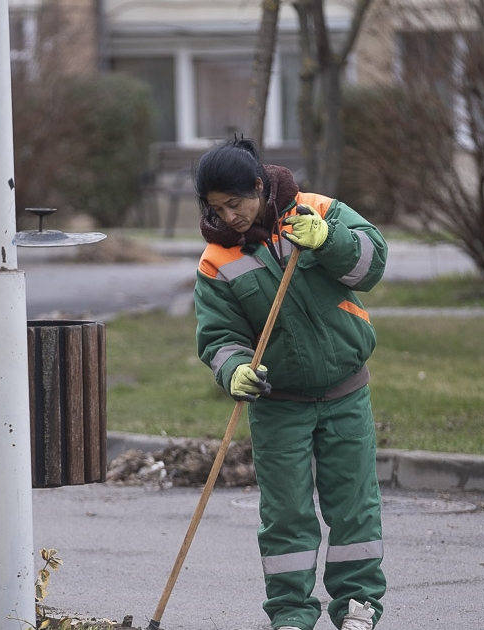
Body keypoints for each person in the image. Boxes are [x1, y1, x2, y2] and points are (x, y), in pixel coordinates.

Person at [192, 138, 388, 630]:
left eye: (235, 203)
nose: (229, 217)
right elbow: (219, 336)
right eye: (216, 209)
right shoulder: (217, 260)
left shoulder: (317, 211)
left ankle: (358, 606)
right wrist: (234, 369)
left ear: (259, 186)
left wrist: (329, 239)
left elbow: (373, 265)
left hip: (345, 391)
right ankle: (290, 614)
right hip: (277, 402)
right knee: (285, 515)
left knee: (354, 507)